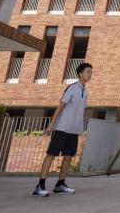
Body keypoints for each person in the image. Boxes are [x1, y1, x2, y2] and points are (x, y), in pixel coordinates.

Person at [33, 61, 91, 197]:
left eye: (91, 72)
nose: (90, 75)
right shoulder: (72, 88)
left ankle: (60, 185)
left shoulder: (85, 92)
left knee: (68, 156)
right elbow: (61, 106)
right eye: (88, 72)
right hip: (61, 128)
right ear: (80, 74)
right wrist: (51, 125)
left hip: (74, 130)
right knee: (51, 155)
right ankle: (40, 186)